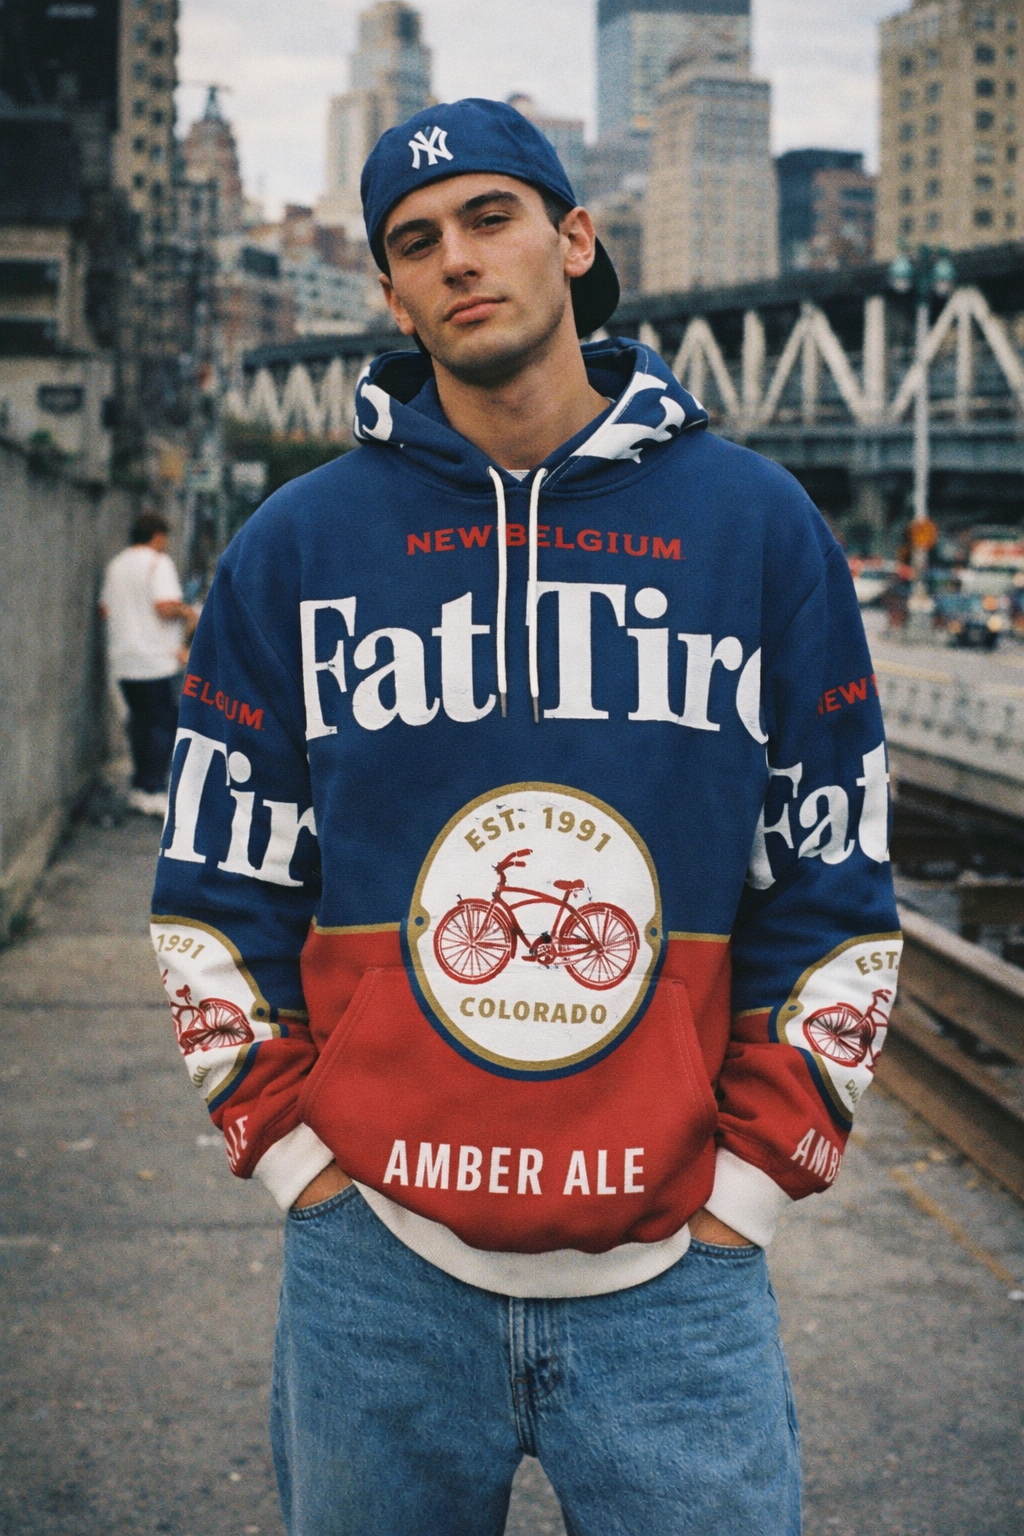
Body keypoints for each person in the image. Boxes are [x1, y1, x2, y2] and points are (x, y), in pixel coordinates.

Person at [151, 98, 900, 1535]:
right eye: (414, 242)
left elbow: (835, 874)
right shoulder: (295, 549)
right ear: (389, 290)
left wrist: (749, 1190)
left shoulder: (756, 526)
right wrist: (297, 1162)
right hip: (374, 1275)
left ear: (574, 239)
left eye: (490, 219)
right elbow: (213, 883)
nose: (456, 260)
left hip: (676, 1284)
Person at [100, 511, 195, 817]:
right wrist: (188, 612)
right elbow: (165, 607)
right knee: (162, 724)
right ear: (157, 536)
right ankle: (152, 791)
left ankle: (141, 787)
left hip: (123, 659)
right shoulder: (158, 562)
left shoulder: (116, 565)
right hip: (154, 660)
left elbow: (104, 609)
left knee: (141, 723)